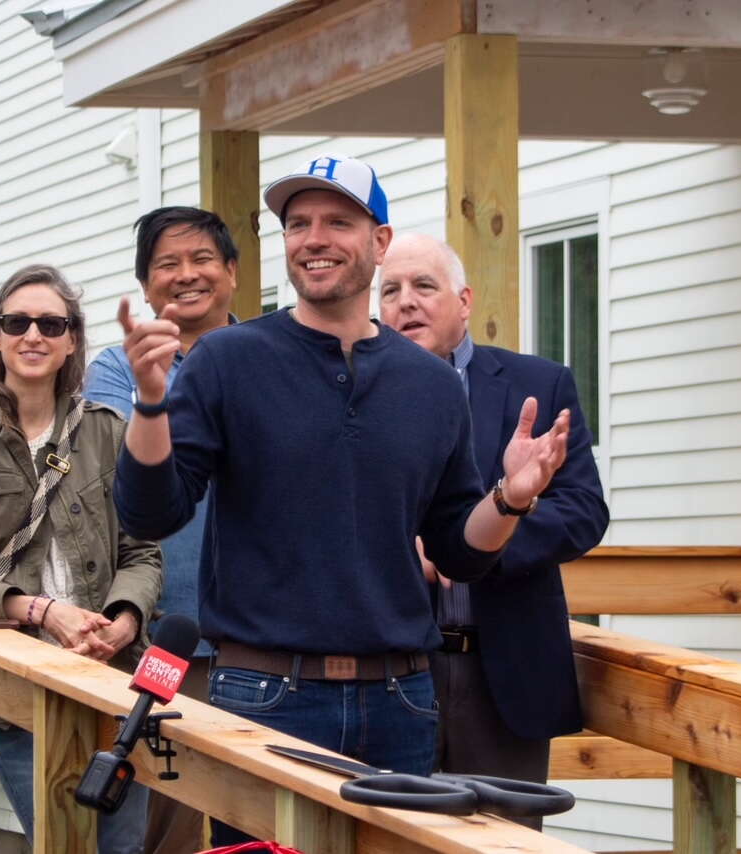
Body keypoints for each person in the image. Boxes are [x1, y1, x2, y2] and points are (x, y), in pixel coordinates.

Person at [112, 153, 571, 842]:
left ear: (379, 243)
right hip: (265, 696)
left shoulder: (433, 386)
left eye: (337, 221)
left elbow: (458, 550)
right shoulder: (228, 360)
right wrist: (152, 407)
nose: (314, 238)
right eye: (298, 223)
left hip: (402, 700)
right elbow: (154, 511)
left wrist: (510, 497)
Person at [0, 263, 163, 853]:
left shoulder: (108, 431)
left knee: (122, 849)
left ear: (72, 339)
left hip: (114, 678)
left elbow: (143, 553)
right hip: (16, 689)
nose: (34, 334)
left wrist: (125, 620)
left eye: (51, 323)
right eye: (17, 321)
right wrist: (43, 611)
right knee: (58, 844)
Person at [378, 233, 609, 829]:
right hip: (392, 672)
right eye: (391, 290)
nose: (407, 303)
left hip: (505, 669)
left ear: (464, 300)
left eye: (424, 286)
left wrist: (478, 548)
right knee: (390, 839)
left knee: (505, 842)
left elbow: (584, 509)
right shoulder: (357, 391)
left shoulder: (538, 384)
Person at [84, 207, 238, 854]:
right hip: (156, 628)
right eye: (166, 265)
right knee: (145, 811)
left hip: (246, 638)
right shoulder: (120, 369)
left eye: (202, 259)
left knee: (237, 813)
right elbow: (139, 462)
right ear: (146, 287)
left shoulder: (265, 356)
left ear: (232, 272)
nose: (186, 276)